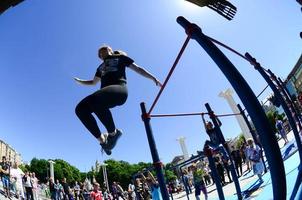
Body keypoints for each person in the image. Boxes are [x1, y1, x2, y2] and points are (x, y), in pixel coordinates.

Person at [75, 45, 162, 155]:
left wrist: (153, 78)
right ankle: (103, 141)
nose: (102, 54)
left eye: (104, 50)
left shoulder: (120, 58)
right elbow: (93, 82)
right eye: (100, 54)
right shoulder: (100, 68)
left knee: (96, 100)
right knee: (80, 109)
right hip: (104, 95)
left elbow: (139, 69)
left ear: (111, 50)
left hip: (119, 90)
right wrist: (80, 81)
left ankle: (113, 134)